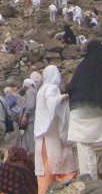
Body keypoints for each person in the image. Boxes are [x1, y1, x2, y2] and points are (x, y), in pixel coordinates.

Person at [66, 41, 102, 181]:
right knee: (100, 144)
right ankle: (99, 174)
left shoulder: (83, 67)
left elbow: (71, 87)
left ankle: (87, 179)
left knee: (83, 145)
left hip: (80, 113)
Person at [33, 66, 75, 194]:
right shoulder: (51, 88)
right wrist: (64, 97)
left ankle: (43, 189)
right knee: (55, 158)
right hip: (51, 129)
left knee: (44, 162)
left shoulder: (41, 89)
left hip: (42, 130)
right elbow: (52, 103)